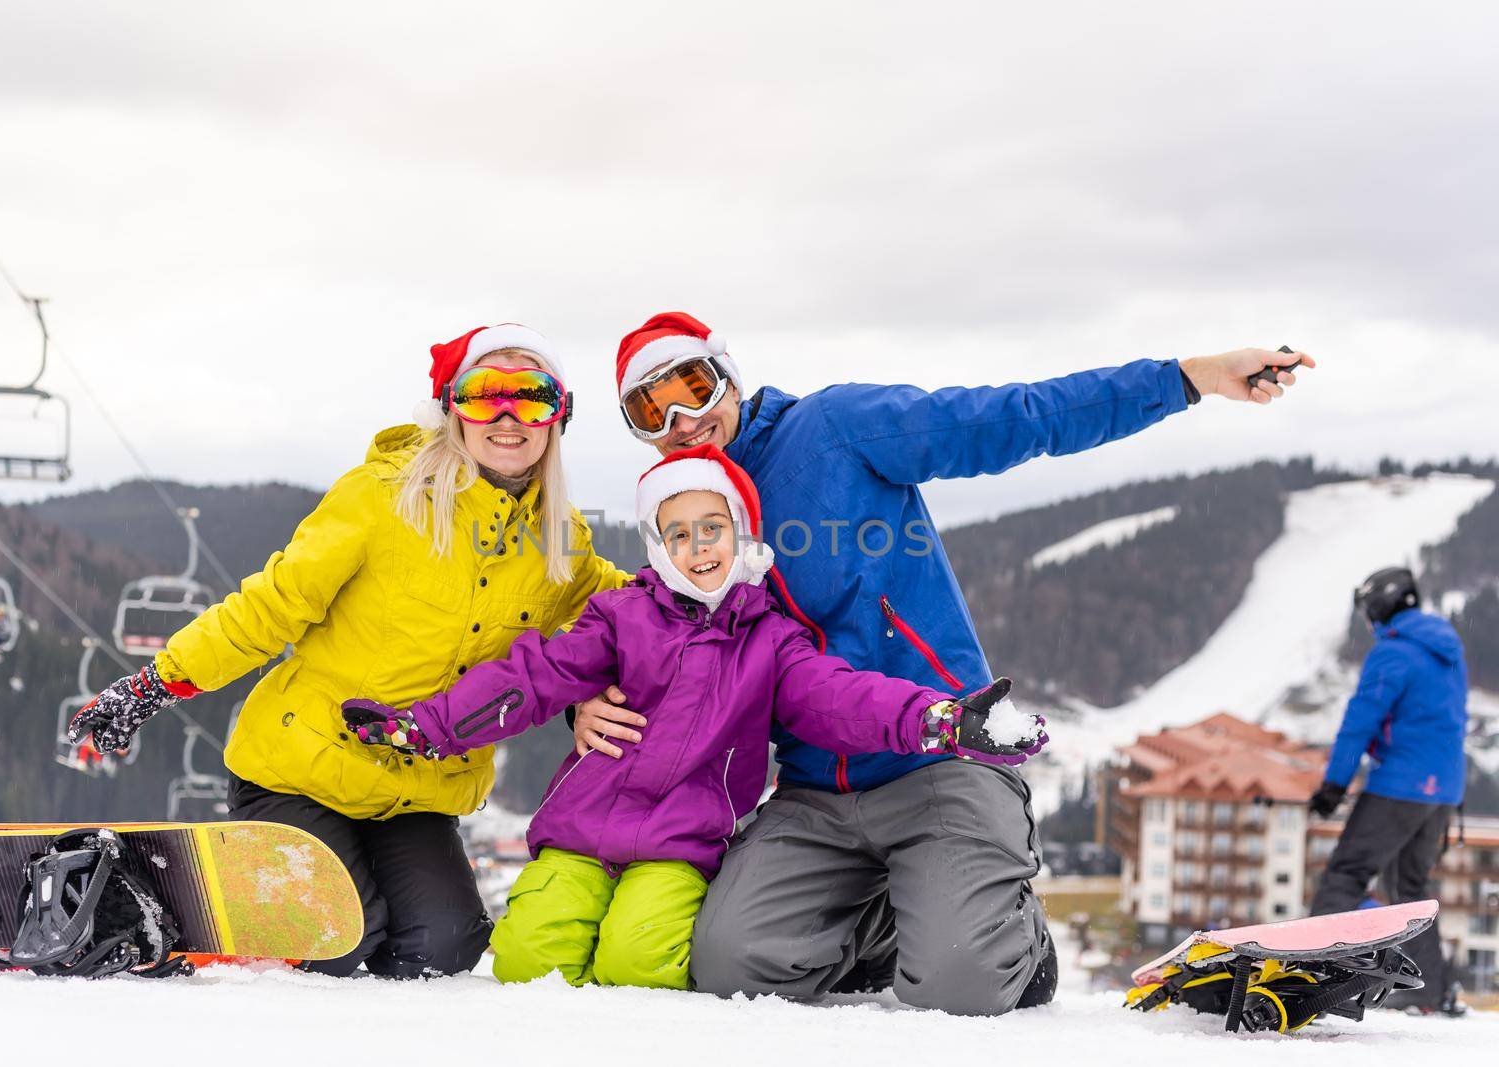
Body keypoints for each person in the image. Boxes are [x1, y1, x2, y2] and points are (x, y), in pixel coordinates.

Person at [578, 311, 1315, 1015]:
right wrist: (585, 694)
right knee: (733, 965)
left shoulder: (834, 430)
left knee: (962, 982)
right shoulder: (691, 528)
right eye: (652, 411)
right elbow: (645, 636)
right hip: (816, 791)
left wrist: (1184, 378)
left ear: (728, 375)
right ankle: (896, 916)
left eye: (694, 389)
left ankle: (1008, 938)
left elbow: (1008, 417)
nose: (683, 422)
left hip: (942, 752)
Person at [340, 445, 1048, 990]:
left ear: (740, 535)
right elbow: (530, 677)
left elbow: (840, 696)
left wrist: (939, 718)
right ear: (657, 546)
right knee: (527, 957)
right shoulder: (619, 616)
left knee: (641, 960)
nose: (697, 546)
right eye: (677, 534)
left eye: (712, 528)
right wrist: (423, 726)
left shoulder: (772, 640)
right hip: (582, 830)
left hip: (681, 843)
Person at [67, 324, 626, 978]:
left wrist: (717, 585)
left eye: (530, 396)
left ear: (558, 415)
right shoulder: (381, 498)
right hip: (301, 769)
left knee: (443, 948)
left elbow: (624, 615)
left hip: (416, 791)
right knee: (339, 940)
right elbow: (271, 604)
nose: (507, 416)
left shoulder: (558, 538)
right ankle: (165, 905)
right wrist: (157, 682)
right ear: (451, 408)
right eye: (484, 396)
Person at [1309, 566, 1468, 1015]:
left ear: (1380, 606)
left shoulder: (1394, 654)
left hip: (1401, 784)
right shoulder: (1447, 651)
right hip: (1442, 791)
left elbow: (1360, 721)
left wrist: (1333, 785)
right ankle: (1428, 991)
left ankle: (1316, 981)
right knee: (1412, 887)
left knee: (1346, 875)